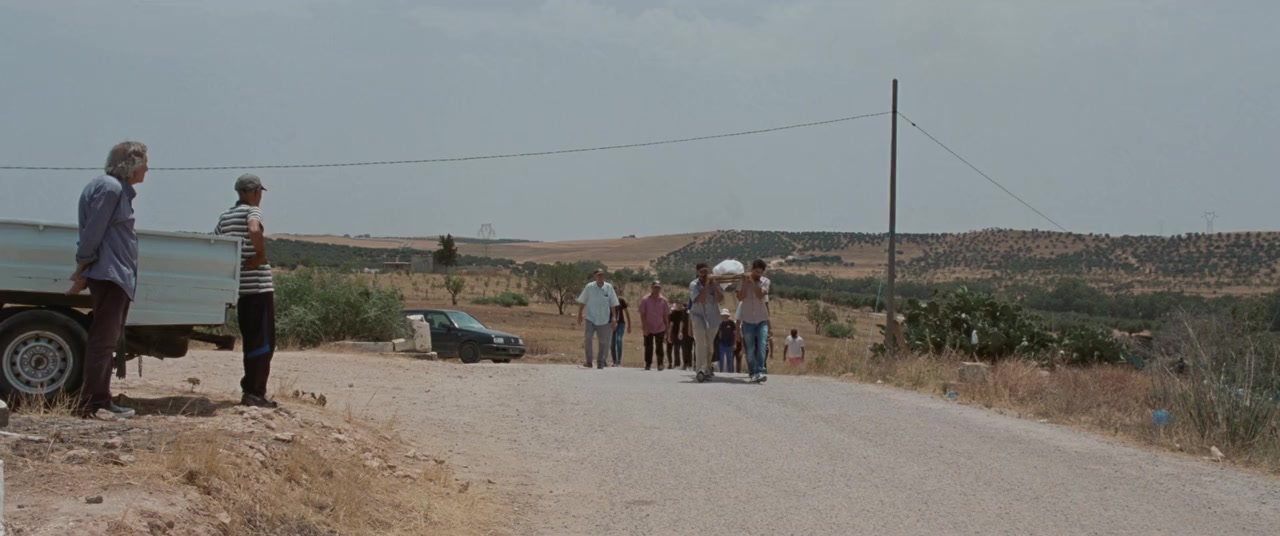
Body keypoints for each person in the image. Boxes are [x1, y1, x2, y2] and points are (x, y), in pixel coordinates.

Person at [68, 141, 148, 418]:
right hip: (111, 275)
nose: (147, 169)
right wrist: (82, 267)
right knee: (103, 341)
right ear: (131, 165)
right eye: (144, 163)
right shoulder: (110, 188)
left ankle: (98, 400)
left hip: (115, 275)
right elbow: (93, 233)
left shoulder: (113, 189)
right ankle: (94, 404)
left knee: (107, 340)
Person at [215, 174, 279, 408]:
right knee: (263, 342)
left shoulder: (225, 217)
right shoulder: (252, 211)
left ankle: (250, 389)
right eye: (260, 192)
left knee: (251, 340)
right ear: (254, 192)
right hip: (259, 288)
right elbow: (254, 229)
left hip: (240, 289)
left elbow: (217, 244)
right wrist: (260, 255)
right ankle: (255, 393)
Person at [736, 259, 771, 383]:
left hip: (762, 320)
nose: (758, 274)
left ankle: (760, 371)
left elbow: (760, 295)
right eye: (756, 272)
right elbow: (740, 297)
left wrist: (753, 282)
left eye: (760, 272)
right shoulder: (742, 281)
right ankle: (753, 372)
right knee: (750, 350)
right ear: (752, 270)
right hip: (748, 321)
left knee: (762, 346)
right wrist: (746, 283)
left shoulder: (765, 281)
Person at [688, 262, 725, 382]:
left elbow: (720, 299)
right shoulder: (694, 285)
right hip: (698, 316)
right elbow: (700, 299)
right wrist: (707, 284)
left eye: (706, 272)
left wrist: (714, 285)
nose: (704, 274)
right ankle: (700, 370)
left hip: (713, 317)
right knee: (700, 343)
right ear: (697, 273)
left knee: (709, 345)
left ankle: (708, 368)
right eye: (702, 272)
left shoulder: (715, 283)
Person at [576, 269, 619, 369]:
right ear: (594, 276)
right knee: (588, 338)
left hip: (604, 319)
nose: (600, 277)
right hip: (590, 318)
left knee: (603, 341)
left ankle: (600, 361)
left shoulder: (608, 287)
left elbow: (613, 303)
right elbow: (583, 300)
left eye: (602, 275)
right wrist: (580, 313)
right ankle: (589, 361)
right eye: (598, 275)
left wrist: (614, 317)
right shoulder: (589, 287)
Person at [637, 282, 670, 371]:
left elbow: (666, 315)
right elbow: (642, 314)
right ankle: (648, 363)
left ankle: (660, 363)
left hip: (660, 326)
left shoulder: (664, 301)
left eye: (658, 287)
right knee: (648, 346)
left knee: (659, 346)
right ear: (651, 288)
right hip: (649, 326)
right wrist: (644, 326)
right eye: (655, 287)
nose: (656, 289)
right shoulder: (645, 300)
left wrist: (667, 329)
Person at [610, 296, 631, 367]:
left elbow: (627, 312)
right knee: (612, 343)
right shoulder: (609, 300)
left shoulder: (621, 300)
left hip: (620, 323)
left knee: (619, 340)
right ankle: (614, 361)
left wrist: (629, 325)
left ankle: (619, 361)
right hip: (611, 324)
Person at [667, 303, 689, 370]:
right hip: (675, 333)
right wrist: (669, 335)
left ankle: (686, 364)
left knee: (685, 349)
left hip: (684, 333)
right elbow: (671, 324)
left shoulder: (685, 312)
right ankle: (677, 364)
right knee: (676, 349)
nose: (679, 306)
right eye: (677, 304)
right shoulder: (673, 313)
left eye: (680, 304)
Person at [715, 308, 736, 373]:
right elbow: (719, 333)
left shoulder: (731, 323)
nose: (724, 317)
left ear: (728, 316)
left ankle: (730, 372)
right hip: (722, 344)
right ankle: (721, 372)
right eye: (723, 315)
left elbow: (734, 333)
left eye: (725, 315)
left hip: (730, 344)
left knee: (730, 359)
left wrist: (734, 344)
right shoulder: (720, 324)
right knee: (721, 358)